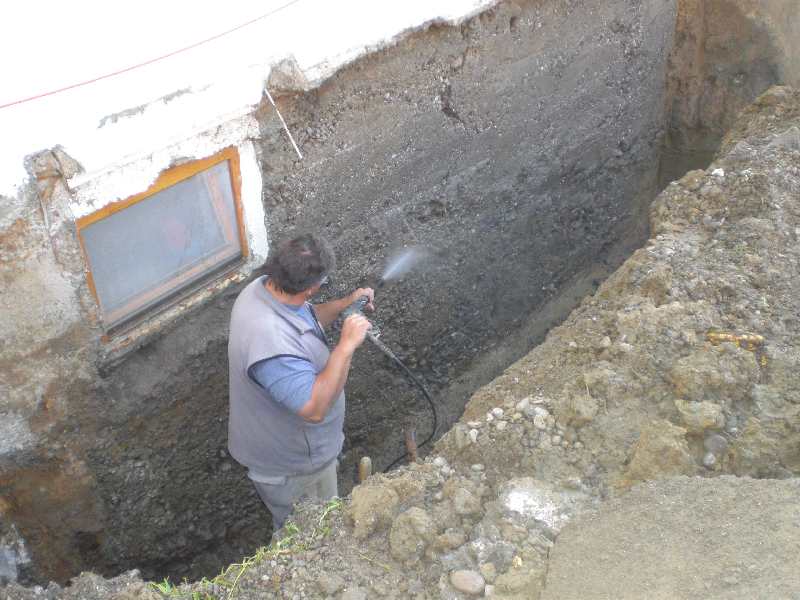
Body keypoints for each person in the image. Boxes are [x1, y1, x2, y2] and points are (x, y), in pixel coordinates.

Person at [227, 234, 374, 529]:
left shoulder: (263, 290)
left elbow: (304, 319)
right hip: (295, 471)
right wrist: (345, 346)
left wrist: (346, 304)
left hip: (288, 452)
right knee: (313, 533)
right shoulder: (270, 342)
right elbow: (314, 408)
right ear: (311, 288)